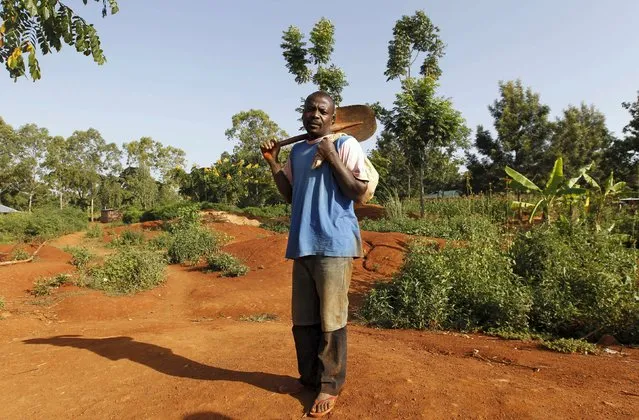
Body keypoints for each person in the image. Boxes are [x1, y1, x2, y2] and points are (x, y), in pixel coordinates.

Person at [260, 91, 369, 417]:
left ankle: (330, 384)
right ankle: (308, 378)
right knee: (304, 320)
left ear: (333, 118)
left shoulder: (346, 144)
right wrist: (274, 163)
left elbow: (358, 192)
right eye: (310, 109)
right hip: (302, 243)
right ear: (303, 114)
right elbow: (291, 195)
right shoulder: (296, 152)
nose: (315, 115)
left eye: (323, 111)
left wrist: (331, 155)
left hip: (334, 244)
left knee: (331, 320)